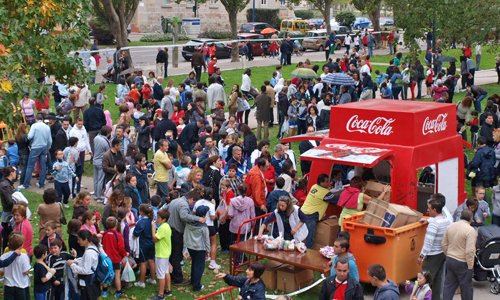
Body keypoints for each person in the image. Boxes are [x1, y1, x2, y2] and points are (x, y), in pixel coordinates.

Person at [165, 190, 204, 285]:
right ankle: (178, 279)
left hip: (170, 229)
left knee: (172, 255)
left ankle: (172, 274)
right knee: (176, 256)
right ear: (190, 199)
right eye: (193, 202)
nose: (193, 204)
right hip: (177, 232)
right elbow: (184, 216)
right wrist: (198, 218)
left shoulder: (175, 201)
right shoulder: (184, 204)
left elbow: (165, 209)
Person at [418, 198, 452, 300]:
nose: (428, 211)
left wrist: (421, 256)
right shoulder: (446, 220)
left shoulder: (434, 224)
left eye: (429, 209)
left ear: (435, 210)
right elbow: (436, 220)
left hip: (432, 255)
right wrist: (428, 219)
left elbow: (428, 242)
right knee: (437, 280)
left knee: (424, 280)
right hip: (441, 253)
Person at [441, 209, 476, 300]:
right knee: (466, 288)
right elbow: (470, 250)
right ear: (471, 219)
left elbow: (444, 244)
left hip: (450, 259)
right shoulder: (470, 230)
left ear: (460, 216)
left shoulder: (451, 226)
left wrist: (448, 254)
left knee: (449, 286)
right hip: (462, 261)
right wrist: (470, 265)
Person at [301, 174, 339, 249]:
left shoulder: (314, 186)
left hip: (303, 212)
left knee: (303, 237)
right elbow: (336, 200)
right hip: (310, 216)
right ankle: (307, 256)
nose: (329, 183)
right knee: (309, 239)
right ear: (322, 183)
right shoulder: (325, 193)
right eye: (327, 181)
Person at [19, 114, 51, 190]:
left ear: (36, 119)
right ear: (42, 119)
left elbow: (30, 136)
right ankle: (41, 183)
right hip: (44, 147)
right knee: (43, 166)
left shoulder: (34, 126)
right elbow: (49, 140)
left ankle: (26, 184)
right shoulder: (47, 127)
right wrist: (47, 148)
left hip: (35, 147)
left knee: (30, 166)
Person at [67, 230, 101, 300]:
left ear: (85, 239)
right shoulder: (92, 248)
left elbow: (85, 270)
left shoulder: (89, 253)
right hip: (91, 282)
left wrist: (72, 265)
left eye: (79, 240)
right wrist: (75, 260)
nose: (78, 241)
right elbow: (85, 261)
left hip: (88, 283)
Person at [184, 205, 211, 291]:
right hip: (200, 249)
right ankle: (197, 285)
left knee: (194, 264)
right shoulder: (203, 227)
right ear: (203, 216)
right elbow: (207, 240)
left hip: (190, 247)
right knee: (199, 267)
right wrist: (208, 250)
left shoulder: (189, 223)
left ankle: (193, 280)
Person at [101, 217, 128, 298]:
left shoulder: (104, 234)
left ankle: (105, 290)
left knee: (106, 273)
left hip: (106, 258)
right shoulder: (118, 235)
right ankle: (119, 291)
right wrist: (124, 253)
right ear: (116, 224)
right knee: (117, 275)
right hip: (116, 258)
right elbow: (121, 247)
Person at [0, 233, 31, 300]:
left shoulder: (4, 256)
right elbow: (26, 272)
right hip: (21, 285)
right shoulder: (24, 257)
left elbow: (1, 272)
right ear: (21, 246)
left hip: (8, 285)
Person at [150, 209, 173, 300]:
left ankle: (161, 294)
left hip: (161, 254)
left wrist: (153, 227)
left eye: (159, 217)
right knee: (166, 271)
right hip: (166, 253)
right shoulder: (167, 226)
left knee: (161, 274)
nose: (157, 218)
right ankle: (168, 289)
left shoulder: (163, 228)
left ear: (164, 219)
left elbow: (155, 238)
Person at [93, 125, 112, 203]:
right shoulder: (105, 142)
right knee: (101, 179)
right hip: (101, 161)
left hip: (95, 160)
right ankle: (99, 196)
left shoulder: (96, 138)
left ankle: (95, 194)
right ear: (108, 133)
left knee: (96, 179)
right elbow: (108, 151)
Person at [0, 166, 16, 250]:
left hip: (9, 211)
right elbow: (10, 201)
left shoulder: (7, 183)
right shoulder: (5, 185)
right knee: (7, 234)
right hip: (8, 213)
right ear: (11, 173)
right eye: (14, 172)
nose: (16, 174)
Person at [154, 139, 173, 204]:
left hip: (162, 178)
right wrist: (169, 163)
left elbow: (169, 165)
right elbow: (170, 166)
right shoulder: (159, 154)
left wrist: (169, 163)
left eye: (167, 145)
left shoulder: (164, 153)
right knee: (165, 196)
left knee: (159, 196)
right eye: (165, 146)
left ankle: (155, 206)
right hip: (161, 179)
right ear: (160, 146)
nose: (167, 147)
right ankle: (158, 207)